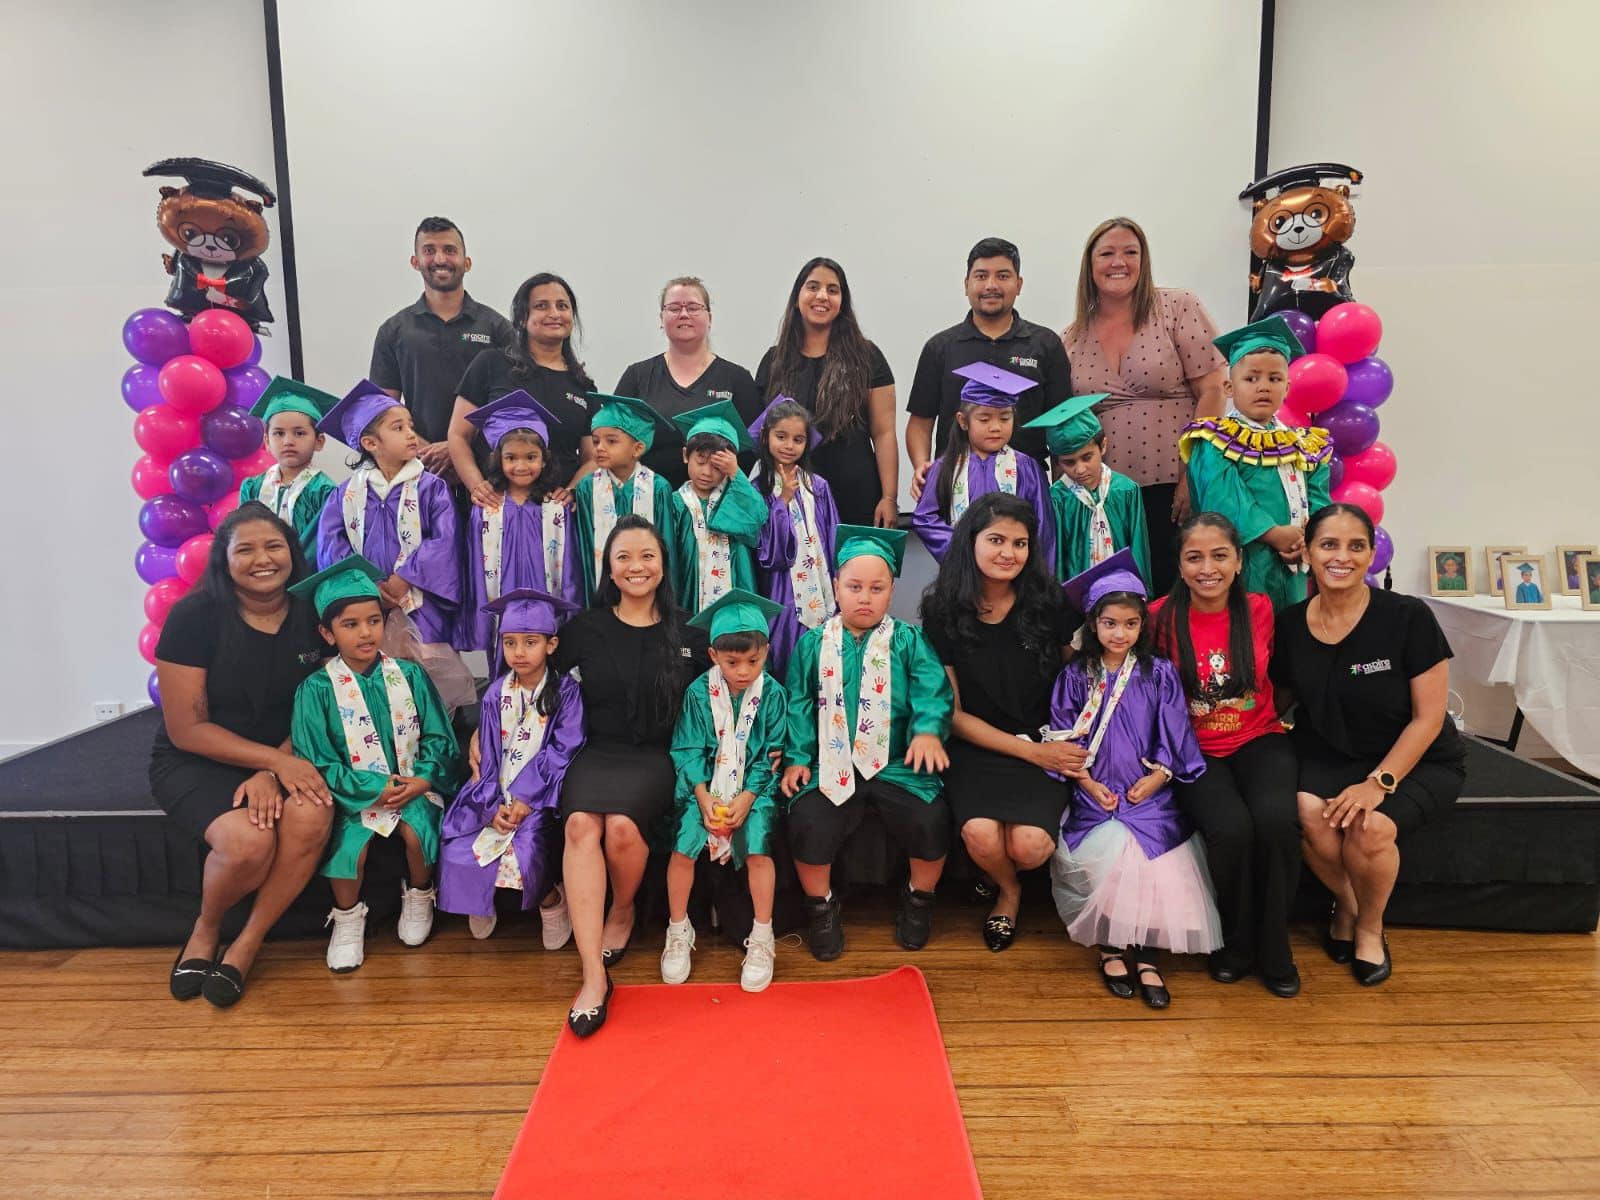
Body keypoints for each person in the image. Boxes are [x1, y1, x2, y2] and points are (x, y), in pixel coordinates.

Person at [1273, 504, 1466, 987]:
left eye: (1356, 546)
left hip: (1415, 757)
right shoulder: (1290, 624)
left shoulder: (1407, 617)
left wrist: (1379, 783)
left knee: (1370, 827)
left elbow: (1428, 718)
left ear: (1371, 554)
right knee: (1305, 809)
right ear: (1308, 553)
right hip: (1328, 751)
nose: (1342, 557)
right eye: (1329, 545)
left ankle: (1368, 928)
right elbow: (1276, 701)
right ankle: (1349, 904)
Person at [149, 503, 332, 1007]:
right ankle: (206, 930)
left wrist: (278, 764)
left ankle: (249, 940)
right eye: (245, 549)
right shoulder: (194, 616)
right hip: (202, 757)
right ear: (223, 559)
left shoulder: (314, 611)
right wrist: (272, 764)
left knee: (313, 814)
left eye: (274, 546)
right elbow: (187, 729)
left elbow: (328, 700)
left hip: (294, 748)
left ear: (292, 552)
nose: (263, 559)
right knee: (248, 843)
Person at [554, 516, 710, 1036]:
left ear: (663, 564)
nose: (636, 566)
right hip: (598, 752)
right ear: (608, 567)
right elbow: (533, 684)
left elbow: (723, 703)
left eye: (647, 555)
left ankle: (622, 910)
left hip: (658, 757)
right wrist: (485, 734)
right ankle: (593, 977)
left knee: (621, 826)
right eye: (624, 556)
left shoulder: (690, 633)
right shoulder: (585, 628)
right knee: (581, 824)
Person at [1047, 550, 1218, 1009]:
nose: (1119, 633)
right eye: (1109, 623)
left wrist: (1159, 777)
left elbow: (1175, 730)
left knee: (1154, 864)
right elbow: (1063, 735)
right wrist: (1086, 783)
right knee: (1110, 858)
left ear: (1143, 625)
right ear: (1092, 624)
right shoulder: (1075, 676)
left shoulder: (1158, 673)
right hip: (1096, 791)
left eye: (1130, 624)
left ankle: (1146, 953)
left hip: (1147, 793)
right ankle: (1110, 948)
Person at [780, 526, 954, 959]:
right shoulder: (813, 644)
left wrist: (927, 731)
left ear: (892, 591)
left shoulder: (908, 641)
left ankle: (919, 898)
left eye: (877, 588)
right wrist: (798, 757)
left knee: (931, 818)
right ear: (836, 585)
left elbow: (931, 689)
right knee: (807, 820)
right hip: (831, 760)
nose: (865, 597)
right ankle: (821, 906)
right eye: (854, 587)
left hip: (896, 760)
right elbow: (799, 704)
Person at [920, 493, 1080, 951]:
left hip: (1045, 740)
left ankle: (999, 876)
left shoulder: (1050, 603)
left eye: (1020, 543)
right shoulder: (942, 611)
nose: (1009, 553)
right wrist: (1032, 752)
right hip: (979, 746)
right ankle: (1008, 891)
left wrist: (1051, 747)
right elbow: (952, 715)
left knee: (1030, 846)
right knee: (982, 836)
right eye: (996, 540)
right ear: (970, 541)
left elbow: (1077, 678)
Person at [1151, 514, 1302, 996]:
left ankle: (1275, 947)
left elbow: (1282, 678)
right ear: (1179, 564)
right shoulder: (1158, 618)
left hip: (1261, 738)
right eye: (1194, 557)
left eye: (1220, 556)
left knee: (1276, 822)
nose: (1207, 568)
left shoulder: (1260, 609)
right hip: (1194, 751)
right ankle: (1234, 944)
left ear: (1238, 561)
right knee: (1231, 829)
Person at [288, 558, 462, 972]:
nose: (365, 633)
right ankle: (348, 917)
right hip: (353, 795)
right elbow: (316, 758)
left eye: (373, 621)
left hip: (411, 787)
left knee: (418, 831)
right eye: (350, 625)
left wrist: (423, 780)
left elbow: (439, 736)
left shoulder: (410, 676)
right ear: (327, 633)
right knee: (350, 846)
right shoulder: (316, 690)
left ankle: (420, 894)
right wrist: (371, 789)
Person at [1061, 218, 1228, 595]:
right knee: (1117, 597)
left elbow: (1213, 389)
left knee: (1175, 590)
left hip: (1173, 484)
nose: (1118, 262)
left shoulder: (1177, 307)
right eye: (1107, 253)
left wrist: (1192, 474)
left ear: (1144, 259)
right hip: (1107, 496)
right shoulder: (1070, 337)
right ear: (1090, 265)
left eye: (1130, 252)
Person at [437, 588, 585, 946]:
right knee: (458, 847)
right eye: (509, 643)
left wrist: (525, 798)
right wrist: (490, 806)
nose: (518, 652)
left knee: (527, 851)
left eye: (530, 643)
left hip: (542, 795)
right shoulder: (495, 693)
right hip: (493, 791)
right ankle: (478, 901)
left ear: (551, 645)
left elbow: (564, 748)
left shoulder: (566, 692)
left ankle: (551, 903)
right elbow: (486, 757)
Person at [662, 589, 790, 992]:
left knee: (758, 846)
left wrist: (747, 797)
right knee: (683, 845)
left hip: (756, 791)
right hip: (702, 789)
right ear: (713, 655)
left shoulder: (774, 695)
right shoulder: (698, 693)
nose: (744, 671)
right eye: (732, 662)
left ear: (766, 652)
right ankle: (678, 928)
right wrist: (703, 797)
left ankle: (763, 934)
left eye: (753, 660)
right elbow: (687, 748)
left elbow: (771, 755)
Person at [1179, 317, 1332, 613]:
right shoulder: (1214, 441)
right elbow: (1224, 499)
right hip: (1246, 559)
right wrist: (1274, 534)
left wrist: (1308, 538)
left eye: (1274, 379)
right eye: (1251, 379)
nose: (1263, 387)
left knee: (1292, 625)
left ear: (1287, 387)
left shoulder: (1304, 443)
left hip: (1296, 561)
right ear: (1229, 387)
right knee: (1247, 625)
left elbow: (1318, 495)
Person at [906, 237, 1073, 496]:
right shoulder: (940, 347)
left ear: (1019, 284)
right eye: (981, 276)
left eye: (1003, 276)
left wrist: (1063, 491)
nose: (991, 285)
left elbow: (1061, 424)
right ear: (966, 285)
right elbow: (920, 422)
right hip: (956, 486)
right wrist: (922, 466)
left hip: (1026, 487)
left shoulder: (1045, 344)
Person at [315, 381, 464, 667]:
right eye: (398, 428)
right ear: (370, 443)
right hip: (365, 601)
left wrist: (404, 578)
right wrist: (369, 584)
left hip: (421, 600)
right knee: (374, 669)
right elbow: (332, 546)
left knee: (427, 673)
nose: (411, 434)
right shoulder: (345, 495)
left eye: (410, 426)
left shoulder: (431, 488)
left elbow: (444, 540)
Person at [755, 257, 898, 528]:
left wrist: (889, 497)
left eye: (833, 290)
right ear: (797, 298)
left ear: (842, 302)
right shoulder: (774, 361)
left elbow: (884, 433)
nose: (822, 296)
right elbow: (761, 436)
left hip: (856, 498)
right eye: (813, 287)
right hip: (791, 499)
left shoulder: (868, 357)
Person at [369, 217, 513, 474]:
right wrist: (424, 450)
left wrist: (456, 446)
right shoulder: (394, 331)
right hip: (421, 468)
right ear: (415, 262)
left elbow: (510, 405)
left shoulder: (497, 328)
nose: (439, 259)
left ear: (467, 262)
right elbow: (383, 411)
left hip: (487, 471)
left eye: (449, 250)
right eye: (429, 250)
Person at [448, 272, 599, 505]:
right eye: (541, 306)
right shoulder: (491, 363)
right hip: (495, 509)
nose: (554, 313)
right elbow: (459, 435)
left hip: (556, 515)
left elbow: (592, 457)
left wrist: (572, 490)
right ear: (521, 318)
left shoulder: (583, 386)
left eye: (562, 306)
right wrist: (477, 486)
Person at [457, 392, 583, 655]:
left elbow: (569, 569)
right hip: (501, 609)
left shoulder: (556, 508)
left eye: (531, 457)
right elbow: (476, 570)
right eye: (511, 458)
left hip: (547, 609)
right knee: (504, 654)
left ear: (544, 459)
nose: (521, 466)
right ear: (498, 459)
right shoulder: (487, 509)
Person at [614, 276, 763, 487]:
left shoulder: (737, 379)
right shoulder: (636, 376)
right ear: (661, 318)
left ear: (709, 318)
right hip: (646, 500)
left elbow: (752, 450)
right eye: (674, 308)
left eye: (693, 307)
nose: (684, 314)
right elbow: (614, 441)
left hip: (718, 501)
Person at [910, 363, 1055, 568]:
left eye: (1005, 418)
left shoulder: (1026, 467)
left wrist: (1033, 571)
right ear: (963, 421)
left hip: (1014, 567)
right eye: (984, 419)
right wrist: (961, 549)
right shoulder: (945, 467)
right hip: (964, 569)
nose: (995, 427)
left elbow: (1043, 525)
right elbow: (925, 518)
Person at [748, 396, 839, 679]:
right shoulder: (758, 489)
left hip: (820, 586)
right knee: (785, 654)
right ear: (766, 437)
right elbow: (768, 554)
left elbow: (833, 539)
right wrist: (783, 501)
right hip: (781, 590)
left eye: (798, 439)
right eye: (781, 436)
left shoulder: (818, 486)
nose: (789, 446)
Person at [1024, 393, 1150, 585]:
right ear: (1057, 462)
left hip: (1122, 592)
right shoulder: (1056, 498)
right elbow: (1055, 557)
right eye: (1069, 462)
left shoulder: (1126, 490)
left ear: (1103, 446)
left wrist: (1140, 591)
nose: (1080, 469)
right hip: (1075, 594)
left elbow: (1138, 547)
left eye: (1087, 457)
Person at [572, 394, 679, 602]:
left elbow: (666, 547)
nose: (599, 448)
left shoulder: (658, 487)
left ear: (637, 448)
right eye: (596, 441)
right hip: (602, 594)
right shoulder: (587, 487)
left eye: (611, 441)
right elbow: (585, 547)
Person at [666, 400, 766, 616]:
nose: (707, 473)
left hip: (733, 581)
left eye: (717, 466)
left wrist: (735, 473)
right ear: (685, 455)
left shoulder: (734, 497)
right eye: (700, 462)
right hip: (689, 586)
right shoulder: (675, 502)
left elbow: (758, 517)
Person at [239, 378, 339, 562]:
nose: (288, 441)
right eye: (278, 433)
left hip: (305, 575)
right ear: (267, 442)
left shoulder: (325, 492)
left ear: (319, 441)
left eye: (299, 433)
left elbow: (321, 547)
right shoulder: (252, 487)